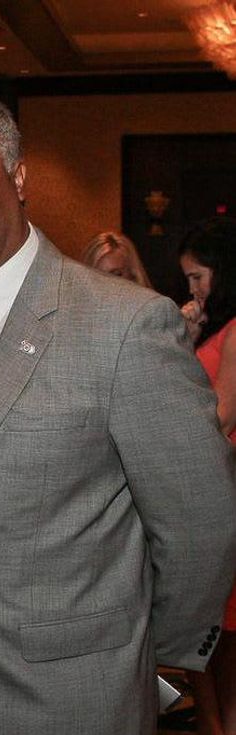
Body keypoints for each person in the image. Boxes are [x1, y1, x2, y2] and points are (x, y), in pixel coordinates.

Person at [0, 89, 235, 734]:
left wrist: (156, 672)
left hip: (72, 702)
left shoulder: (125, 325)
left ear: (19, 177)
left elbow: (200, 525)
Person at [179, 216, 236, 735]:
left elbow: (222, 415)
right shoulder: (217, 327)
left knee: (227, 637)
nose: (193, 288)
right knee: (211, 637)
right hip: (214, 487)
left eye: (199, 277)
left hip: (227, 489)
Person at [82, 230, 153, 288]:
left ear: (133, 275)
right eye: (97, 277)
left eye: (116, 274)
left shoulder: (152, 304)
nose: (106, 283)